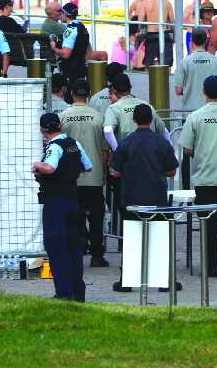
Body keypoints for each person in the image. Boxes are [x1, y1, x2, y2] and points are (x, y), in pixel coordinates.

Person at [109, 103, 179, 292]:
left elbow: (115, 172)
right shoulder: (161, 142)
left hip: (131, 198)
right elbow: (172, 170)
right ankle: (164, 281)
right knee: (159, 238)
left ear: (133, 120)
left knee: (131, 239)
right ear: (151, 120)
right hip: (156, 197)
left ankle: (128, 280)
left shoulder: (125, 142)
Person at [179, 75, 217, 277]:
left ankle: (212, 265)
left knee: (208, 224)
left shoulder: (195, 117)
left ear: (203, 91)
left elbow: (186, 148)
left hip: (205, 177)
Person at [31, 111, 92, 300]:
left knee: (57, 247)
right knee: (74, 247)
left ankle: (64, 293)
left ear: (43, 130)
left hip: (55, 202)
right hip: (73, 200)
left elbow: (50, 167)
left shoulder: (54, 146)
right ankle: (78, 292)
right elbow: (88, 165)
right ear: (59, 125)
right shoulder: (74, 144)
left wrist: (36, 165)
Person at [59, 80, 110, 268]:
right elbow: (105, 150)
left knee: (74, 215)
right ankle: (97, 254)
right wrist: (104, 172)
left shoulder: (63, 117)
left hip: (71, 176)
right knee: (96, 217)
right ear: (89, 94)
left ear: (72, 93)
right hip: (94, 173)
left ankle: (78, 248)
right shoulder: (98, 117)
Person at [174, 28, 217, 116]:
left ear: (191, 41)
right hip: (213, 113)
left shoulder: (184, 63)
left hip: (190, 112)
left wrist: (190, 89)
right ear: (206, 41)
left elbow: (178, 90)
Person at [51, 2, 90, 88]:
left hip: (71, 72)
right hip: (81, 68)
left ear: (65, 14)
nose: (60, 15)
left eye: (61, 12)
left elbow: (65, 54)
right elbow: (87, 50)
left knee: (69, 98)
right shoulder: (81, 26)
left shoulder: (70, 30)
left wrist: (54, 48)